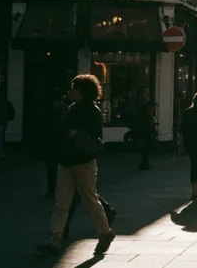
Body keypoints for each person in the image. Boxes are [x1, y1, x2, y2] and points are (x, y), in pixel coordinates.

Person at [36, 75, 115, 257]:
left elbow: (95, 136)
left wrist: (76, 134)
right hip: (69, 161)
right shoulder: (71, 108)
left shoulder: (91, 111)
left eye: (74, 88)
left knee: (88, 200)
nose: (71, 91)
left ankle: (105, 232)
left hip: (82, 162)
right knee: (62, 203)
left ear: (82, 91)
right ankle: (55, 240)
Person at [129, 88, 156, 170]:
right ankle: (145, 163)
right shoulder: (146, 104)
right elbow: (149, 116)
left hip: (141, 126)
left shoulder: (137, 103)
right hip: (146, 127)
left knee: (144, 146)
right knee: (146, 146)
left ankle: (144, 162)